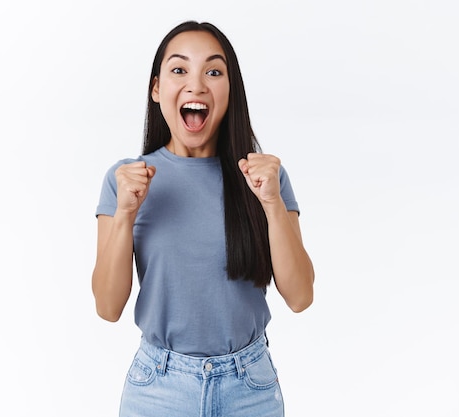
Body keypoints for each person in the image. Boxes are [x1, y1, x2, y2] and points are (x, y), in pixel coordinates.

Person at [92, 20, 314, 417]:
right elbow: (108, 308)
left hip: (250, 388)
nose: (196, 85)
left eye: (213, 71)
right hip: (158, 388)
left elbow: (300, 297)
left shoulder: (265, 178)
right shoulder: (126, 180)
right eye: (179, 70)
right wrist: (125, 213)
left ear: (231, 90)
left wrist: (273, 205)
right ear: (157, 89)